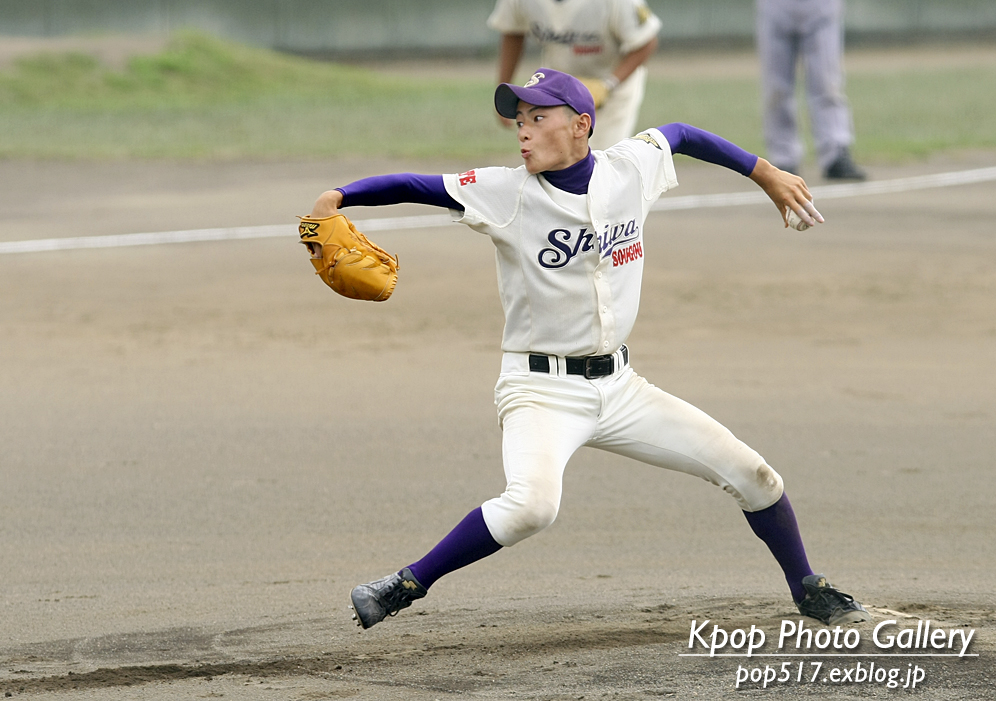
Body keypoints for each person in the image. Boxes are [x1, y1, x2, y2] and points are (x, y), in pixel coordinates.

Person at [308, 68, 871, 631]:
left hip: (623, 390)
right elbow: (415, 185)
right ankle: (406, 583)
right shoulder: (504, 192)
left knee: (755, 475)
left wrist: (765, 173)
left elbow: (680, 133)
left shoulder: (629, 169)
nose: (522, 131)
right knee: (532, 507)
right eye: (519, 120)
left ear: (581, 126)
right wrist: (339, 196)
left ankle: (807, 588)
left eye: (537, 118)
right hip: (540, 390)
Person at [488, 0, 661, 150]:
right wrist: (504, 88)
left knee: (602, 160)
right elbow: (513, 31)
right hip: (557, 87)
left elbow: (646, 42)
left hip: (613, 88)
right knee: (553, 159)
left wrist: (607, 85)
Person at [756, 0, 866, 180]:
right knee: (776, 89)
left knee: (827, 83)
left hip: (820, 7)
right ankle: (783, 158)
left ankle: (835, 152)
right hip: (776, 7)